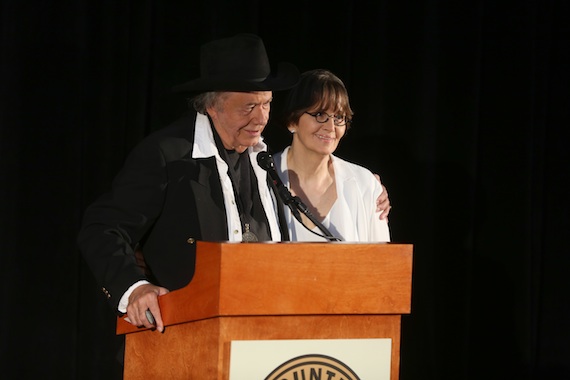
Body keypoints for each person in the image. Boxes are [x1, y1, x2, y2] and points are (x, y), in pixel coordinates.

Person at [77, 34, 391, 335]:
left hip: (256, 341)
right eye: (248, 107)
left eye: (266, 104)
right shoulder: (167, 155)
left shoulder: (264, 160)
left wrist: (366, 188)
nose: (261, 118)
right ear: (213, 105)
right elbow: (102, 228)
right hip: (182, 340)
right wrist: (134, 288)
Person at [273, 69, 390, 242]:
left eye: (339, 117)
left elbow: (382, 262)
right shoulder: (263, 176)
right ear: (292, 120)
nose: (330, 126)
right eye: (320, 114)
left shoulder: (365, 184)